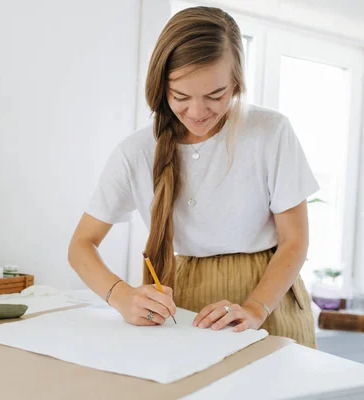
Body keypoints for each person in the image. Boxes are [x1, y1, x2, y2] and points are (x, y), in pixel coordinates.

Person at [68, 6, 318, 348]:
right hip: (184, 295)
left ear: (237, 84)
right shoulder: (136, 151)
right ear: (160, 87)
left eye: (216, 96)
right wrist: (120, 296)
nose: (198, 113)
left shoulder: (270, 132)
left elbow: (295, 240)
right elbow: (81, 245)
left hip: (269, 296)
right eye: (180, 97)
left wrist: (254, 308)